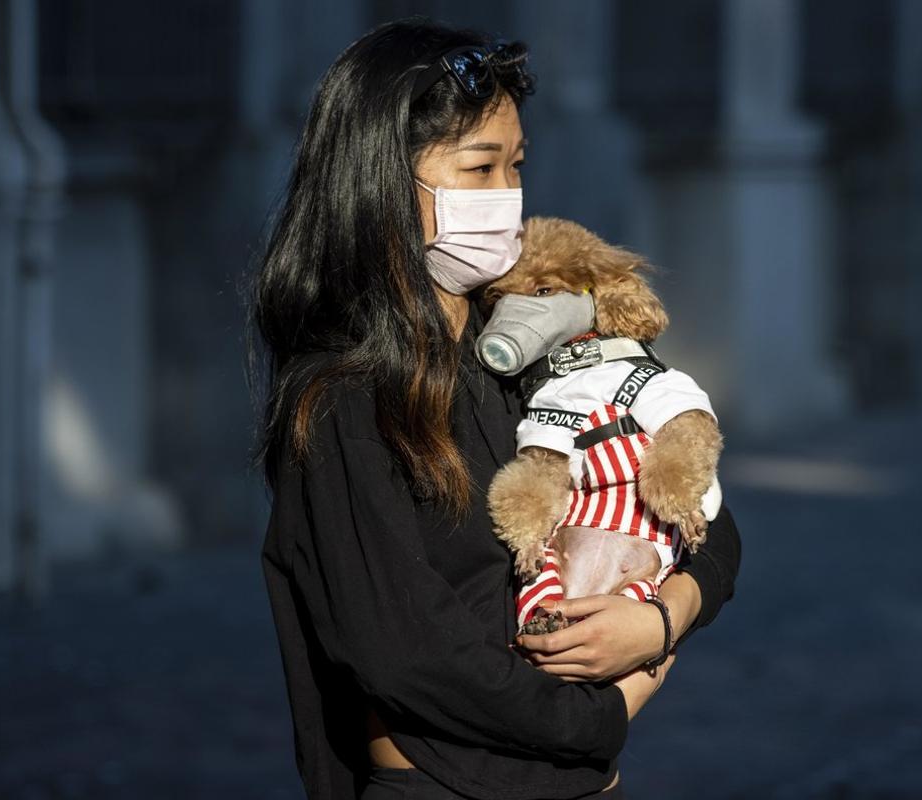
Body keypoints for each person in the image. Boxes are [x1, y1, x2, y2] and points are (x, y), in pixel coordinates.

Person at [248, 17, 741, 800]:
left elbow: (703, 513)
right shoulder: (339, 398)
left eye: (516, 166)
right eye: (479, 169)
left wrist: (663, 620)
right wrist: (600, 715)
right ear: (380, 180)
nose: (506, 198)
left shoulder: (538, 350)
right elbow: (404, 650)